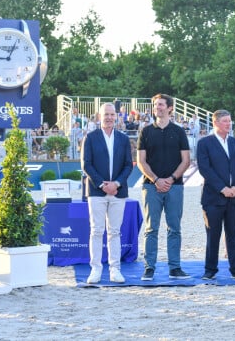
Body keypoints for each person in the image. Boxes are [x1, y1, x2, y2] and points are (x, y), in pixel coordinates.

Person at [137, 93, 191, 281]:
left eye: (161, 104)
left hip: (175, 186)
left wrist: (170, 179)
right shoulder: (145, 131)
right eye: (155, 104)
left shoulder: (179, 132)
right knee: (151, 229)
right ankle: (149, 267)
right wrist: (156, 179)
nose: (157, 107)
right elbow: (141, 161)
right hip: (151, 187)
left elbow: (186, 160)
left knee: (174, 228)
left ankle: (175, 268)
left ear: (169, 108)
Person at [81, 102, 133, 284]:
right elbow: (86, 164)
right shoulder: (91, 137)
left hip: (118, 191)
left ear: (116, 116)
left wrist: (116, 183)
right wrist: (102, 184)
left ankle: (115, 269)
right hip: (97, 191)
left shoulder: (123, 139)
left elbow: (128, 165)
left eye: (112, 114)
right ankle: (95, 269)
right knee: (96, 231)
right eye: (106, 114)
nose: (110, 117)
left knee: (115, 232)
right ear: (99, 117)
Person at [196, 110, 235, 281]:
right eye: (225, 121)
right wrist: (222, 188)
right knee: (213, 234)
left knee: (234, 234)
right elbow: (205, 169)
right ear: (216, 123)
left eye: (230, 120)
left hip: (234, 197)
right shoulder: (205, 143)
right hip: (213, 198)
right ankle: (210, 269)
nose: (229, 124)